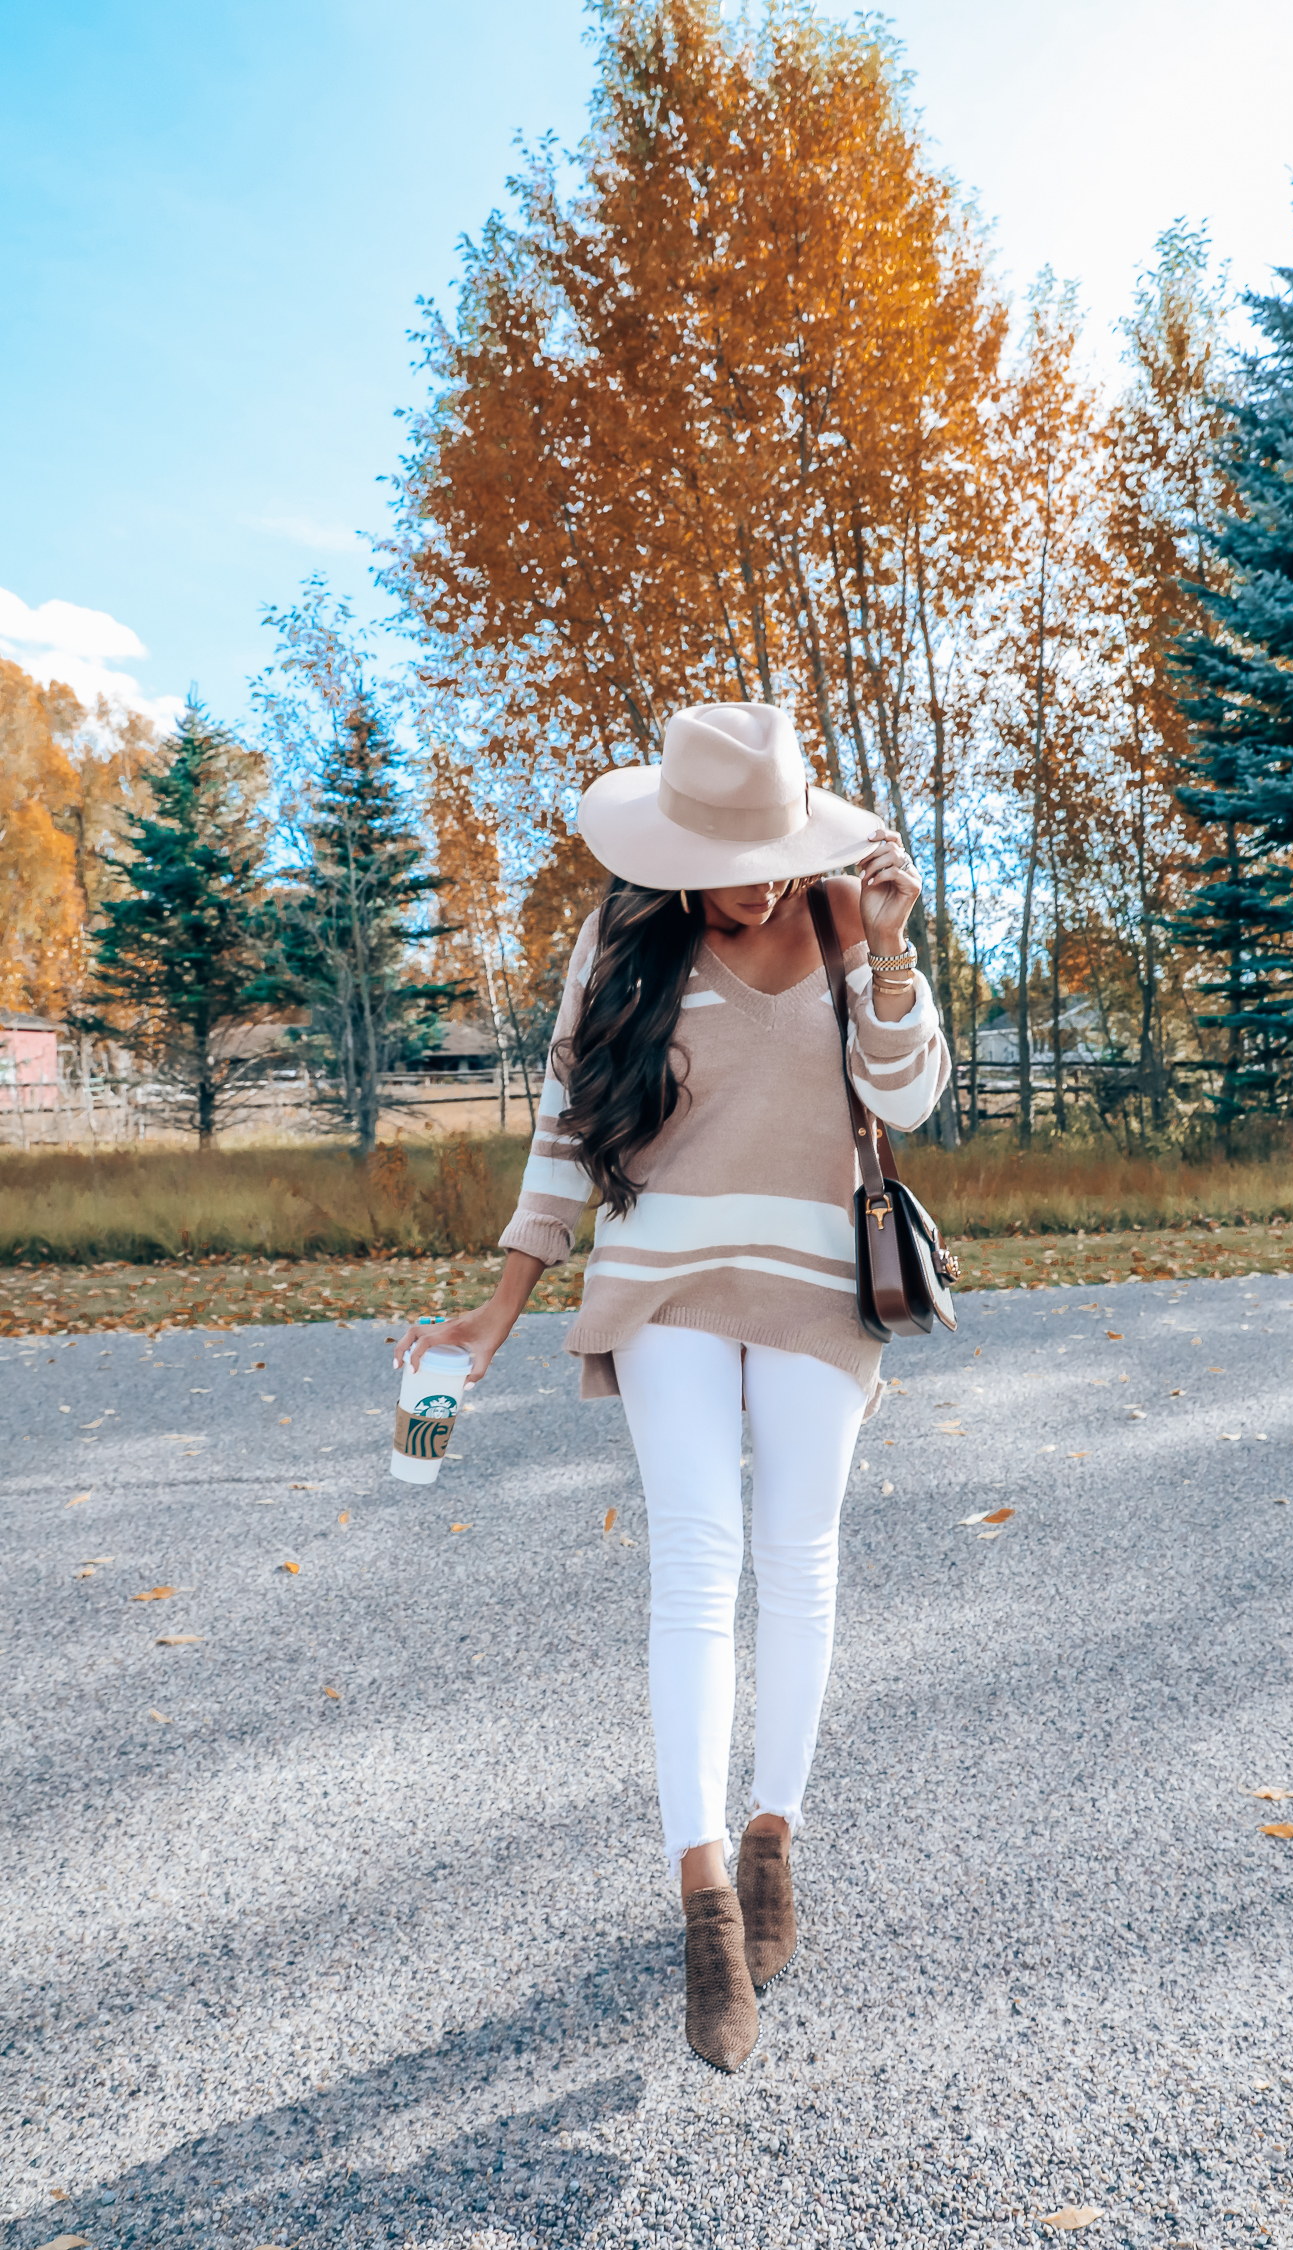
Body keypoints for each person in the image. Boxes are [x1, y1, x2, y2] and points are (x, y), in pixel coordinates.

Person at [395, 703, 950, 2072]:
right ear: (672, 846)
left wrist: (886, 948)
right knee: (699, 1562)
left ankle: (774, 1836)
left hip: (821, 1284)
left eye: (769, 849)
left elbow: (914, 1091)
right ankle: (703, 1895)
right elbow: (566, 1135)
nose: (751, 881)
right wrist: (499, 1307)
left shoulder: (837, 916)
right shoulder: (623, 940)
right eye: (726, 856)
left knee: (800, 1556)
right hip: (663, 1289)